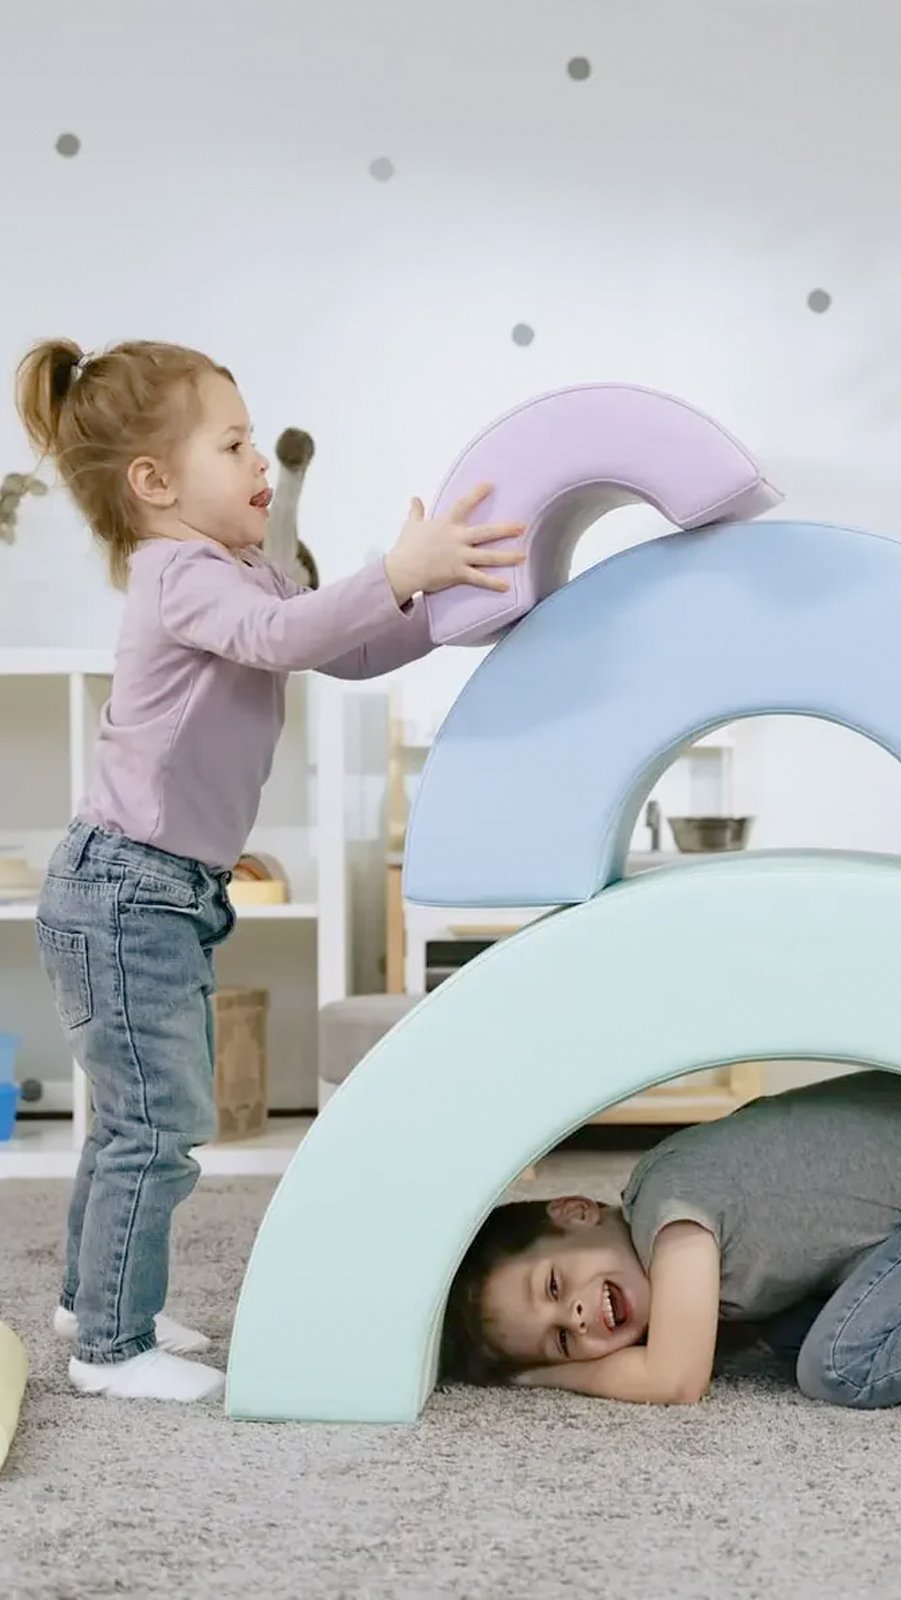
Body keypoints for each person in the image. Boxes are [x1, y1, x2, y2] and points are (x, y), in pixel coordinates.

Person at [16, 337, 524, 1402]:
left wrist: (439, 604)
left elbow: (342, 647)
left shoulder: (238, 570)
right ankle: (110, 1347)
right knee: (157, 1124)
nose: (258, 461)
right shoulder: (179, 577)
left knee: (134, 1116)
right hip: (126, 888)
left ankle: (94, 1298)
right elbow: (286, 634)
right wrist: (394, 572)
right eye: (234, 443)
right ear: (154, 483)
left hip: (158, 891)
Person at [440, 1072, 901, 1410]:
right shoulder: (674, 1219)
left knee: (841, 1364)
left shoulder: (673, 1215)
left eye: (553, 1286)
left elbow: (676, 1379)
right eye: (560, 1341)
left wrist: (541, 1377)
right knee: (789, 1338)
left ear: (575, 1211)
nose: (574, 1319)